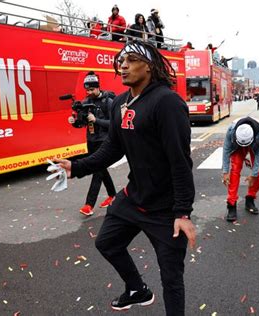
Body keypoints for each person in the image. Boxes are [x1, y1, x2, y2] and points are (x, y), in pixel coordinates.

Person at [53, 40, 196, 315]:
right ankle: (137, 290)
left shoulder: (167, 102)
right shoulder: (120, 102)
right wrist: (76, 167)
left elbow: (180, 162)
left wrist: (183, 212)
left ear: (150, 66)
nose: (124, 65)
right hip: (133, 199)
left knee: (171, 280)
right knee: (106, 242)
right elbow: (112, 149)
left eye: (131, 59)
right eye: (121, 60)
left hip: (165, 211)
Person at [70, 72, 116, 216]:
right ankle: (113, 195)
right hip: (91, 140)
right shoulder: (85, 102)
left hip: (105, 140)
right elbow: (82, 123)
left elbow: (114, 124)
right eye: (87, 90)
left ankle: (89, 205)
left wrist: (97, 120)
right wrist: (74, 121)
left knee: (97, 170)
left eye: (91, 90)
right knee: (101, 168)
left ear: (98, 87)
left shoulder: (108, 102)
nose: (89, 92)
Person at [222, 116, 259, 222]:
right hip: (236, 146)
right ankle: (231, 204)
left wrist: (254, 174)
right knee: (234, 170)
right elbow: (226, 150)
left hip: (256, 145)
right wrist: (225, 172)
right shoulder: (231, 131)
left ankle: (250, 199)